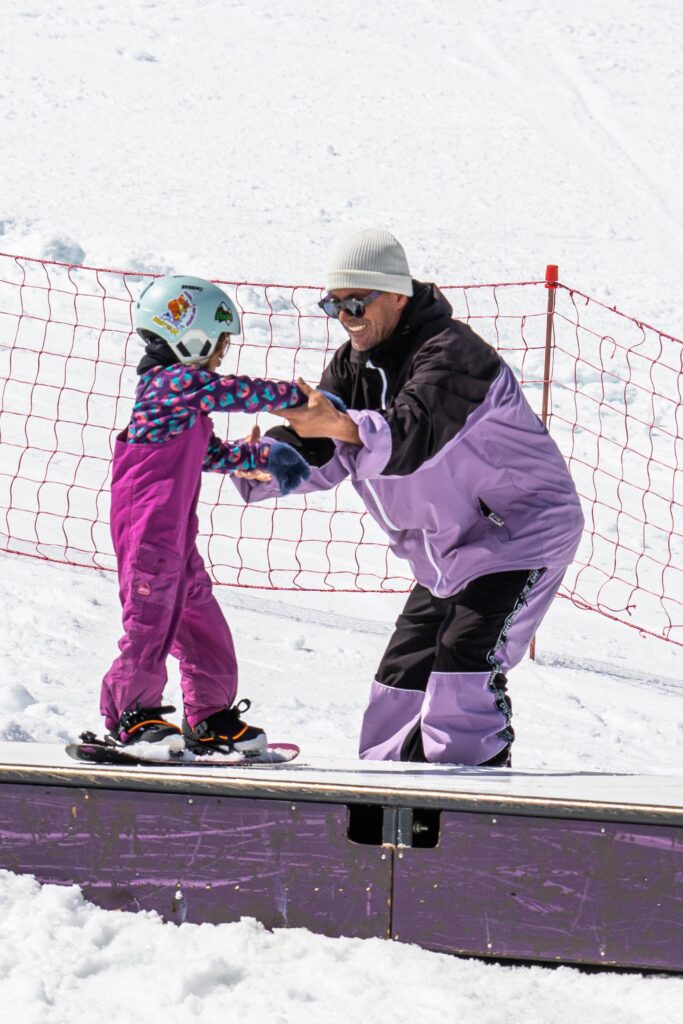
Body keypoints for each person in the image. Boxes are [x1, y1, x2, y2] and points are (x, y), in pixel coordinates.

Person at [232, 229, 585, 767]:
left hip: (519, 534)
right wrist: (267, 463)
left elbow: (413, 435)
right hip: (447, 550)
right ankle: (388, 791)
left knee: (465, 660)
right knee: (401, 678)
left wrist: (342, 425)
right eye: (333, 304)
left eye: (356, 301)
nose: (346, 316)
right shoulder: (354, 363)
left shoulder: (455, 355)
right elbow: (325, 440)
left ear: (397, 295)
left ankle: (474, 792)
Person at [100, 274, 311, 755]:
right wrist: (296, 399)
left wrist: (261, 459)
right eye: (218, 343)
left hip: (175, 536)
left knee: (201, 622)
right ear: (187, 334)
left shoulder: (179, 398)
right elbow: (228, 391)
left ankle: (211, 717)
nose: (221, 354)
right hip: (148, 531)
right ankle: (133, 716)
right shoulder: (170, 385)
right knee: (150, 622)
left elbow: (208, 452)